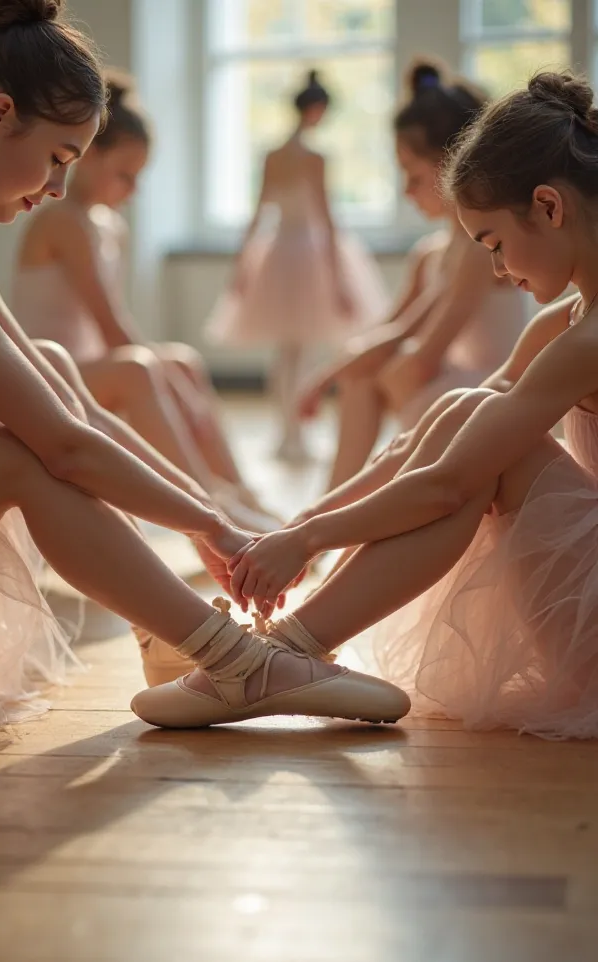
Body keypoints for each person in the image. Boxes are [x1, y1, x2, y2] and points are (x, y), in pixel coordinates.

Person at [0, 0, 409, 757]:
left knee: (46, 365)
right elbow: (64, 448)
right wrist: (209, 526)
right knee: (14, 454)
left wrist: (203, 513)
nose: (55, 185)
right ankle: (241, 665)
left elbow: (70, 409)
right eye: (59, 156)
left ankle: (196, 641)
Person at [216, 69, 598, 741]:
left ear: (548, 206)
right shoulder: (559, 325)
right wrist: (307, 520)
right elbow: (422, 440)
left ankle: (279, 656)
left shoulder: (587, 340)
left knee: (493, 446)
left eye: (495, 245)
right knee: (461, 409)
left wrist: (305, 540)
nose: (500, 272)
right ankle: (288, 648)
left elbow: (451, 481)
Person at [14, 68, 276, 533]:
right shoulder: (64, 222)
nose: (132, 191)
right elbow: (113, 327)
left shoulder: (108, 224)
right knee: (141, 369)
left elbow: (114, 328)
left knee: (183, 360)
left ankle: (237, 491)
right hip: (48, 375)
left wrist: (172, 373)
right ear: (88, 157)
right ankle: (206, 505)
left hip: (83, 367)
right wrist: (163, 378)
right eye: (125, 175)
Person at [299, 60, 526, 493]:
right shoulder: (430, 255)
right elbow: (394, 327)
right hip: (453, 380)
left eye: (414, 176)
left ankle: (337, 513)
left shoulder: (481, 250)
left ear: (453, 168)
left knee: (387, 373)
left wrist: (336, 378)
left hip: (492, 391)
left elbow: (424, 353)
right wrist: (328, 375)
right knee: (366, 373)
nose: (405, 191)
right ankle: (329, 510)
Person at [204, 69, 387, 464]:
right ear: (317, 109)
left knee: (286, 353)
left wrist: (242, 266)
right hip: (310, 255)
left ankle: (287, 434)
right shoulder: (315, 158)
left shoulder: (272, 156)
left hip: (278, 252)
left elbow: (257, 217)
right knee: (300, 352)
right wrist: (339, 279)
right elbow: (327, 220)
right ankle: (295, 436)